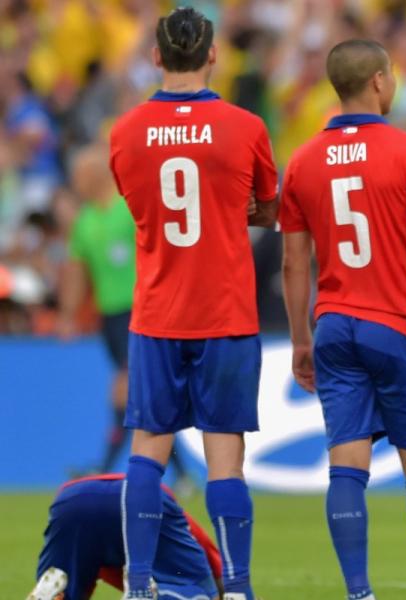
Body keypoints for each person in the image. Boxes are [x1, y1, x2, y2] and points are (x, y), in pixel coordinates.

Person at [279, 39, 406, 600]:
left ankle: (359, 593)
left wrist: (300, 339)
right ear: (380, 82)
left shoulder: (304, 159)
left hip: (334, 326)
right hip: (396, 323)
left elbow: (295, 260)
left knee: (346, 465)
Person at [107, 7, 278, 598]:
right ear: (212, 55)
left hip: (157, 312)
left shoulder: (124, 132)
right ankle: (236, 586)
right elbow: (268, 207)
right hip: (225, 312)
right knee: (225, 458)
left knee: (147, 451)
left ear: (156, 56)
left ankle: (139, 583)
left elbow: (140, 207)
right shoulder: (245, 126)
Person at [57, 146, 191, 487]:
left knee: (125, 387)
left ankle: (103, 467)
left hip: (141, 310)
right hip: (110, 317)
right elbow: (77, 270)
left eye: (79, 176)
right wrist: (68, 314)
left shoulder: (129, 209)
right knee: (140, 394)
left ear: (96, 174)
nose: (76, 183)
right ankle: (182, 474)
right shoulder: (85, 221)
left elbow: (163, 253)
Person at [27, 474, 221, 600]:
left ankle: (50, 596)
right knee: (199, 591)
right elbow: (220, 576)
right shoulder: (181, 526)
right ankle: (140, 592)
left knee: (64, 585)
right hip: (142, 500)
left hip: (71, 501)